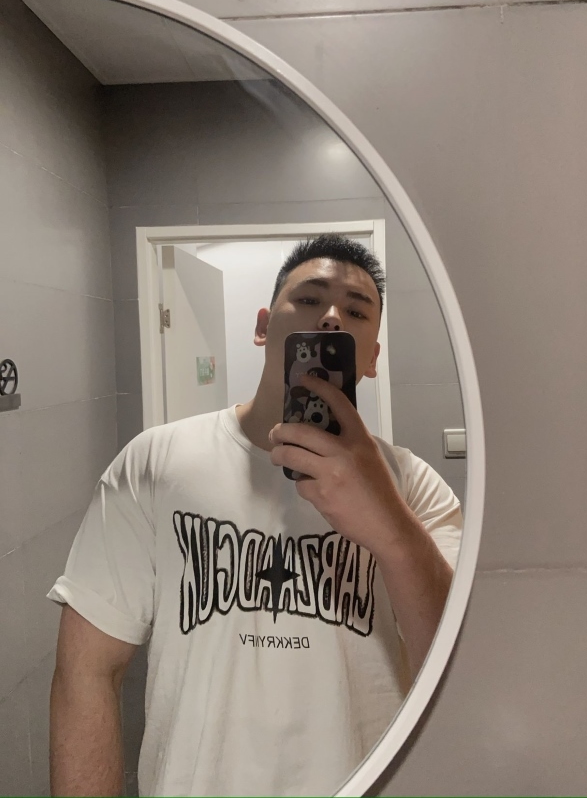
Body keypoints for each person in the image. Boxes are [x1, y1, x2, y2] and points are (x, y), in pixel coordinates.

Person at [48, 234, 463, 797]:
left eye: (357, 311)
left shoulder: (415, 488)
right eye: (310, 299)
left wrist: (390, 526)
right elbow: (87, 673)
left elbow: (462, 671)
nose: (332, 317)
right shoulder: (154, 463)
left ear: (371, 357)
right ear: (264, 327)